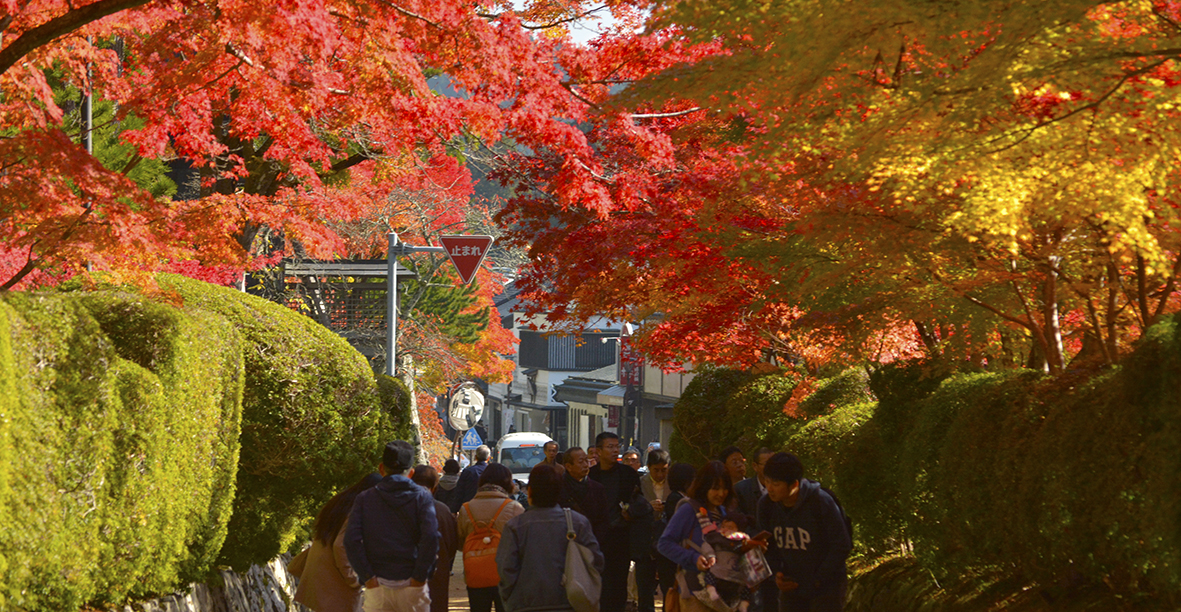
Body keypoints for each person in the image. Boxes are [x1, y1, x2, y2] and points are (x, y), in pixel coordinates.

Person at [658, 461, 768, 612]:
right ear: (704, 487)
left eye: (725, 488)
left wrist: (751, 549)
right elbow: (664, 543)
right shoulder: (689, 510)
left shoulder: (724, 513)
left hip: (725, 598)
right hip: (694, 593)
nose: (721, 493)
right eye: (716, 488)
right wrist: (693, 559)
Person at [344, 441, 439, 612]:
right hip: (413, 584)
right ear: (411, 473)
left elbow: (351, 540)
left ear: (381, 468)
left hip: (377, 584)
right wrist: (420, 576)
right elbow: (430, 537)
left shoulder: (365, 498)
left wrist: (367, 576)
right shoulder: (422, 497)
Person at [496, 463, 605, 612]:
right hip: (572, 602)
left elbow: (506, 569)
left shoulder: (515, 526)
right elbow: (596, 561)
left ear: (530, 491)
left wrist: (510, 599)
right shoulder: (578, 522)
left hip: (526, 604)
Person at [757, 453, 852, 612]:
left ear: (794, 485)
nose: (770, 488)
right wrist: (777, 574)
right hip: (792, 586)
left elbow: (841, 545)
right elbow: (768, 547)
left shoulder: (820, 502)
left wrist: (817, 578)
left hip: (826, 585)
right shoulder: (766, 506)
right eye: (767, 481)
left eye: (776, 483)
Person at [290, 472, 382, 612]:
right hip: (335, 580)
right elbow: (341, 545)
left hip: (322, 571)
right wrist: (353, 579)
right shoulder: (356, 511)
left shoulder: (342, 502)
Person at [458, 463, 525, 612]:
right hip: (506, 575)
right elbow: (524, 544)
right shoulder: (515, 508)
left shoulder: (466, 508)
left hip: (475, 574)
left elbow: (460, 543)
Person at [588, 432, 643, 612]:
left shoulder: (628, 474)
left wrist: (630, 513)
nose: (614, 451)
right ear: (598, 451)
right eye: (609, 447)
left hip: (621, 536)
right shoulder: (591, 476)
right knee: (599, 582)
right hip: (597, 538)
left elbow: (638, 500)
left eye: (616, 447)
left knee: (619, 583)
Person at [412, 465, 460, 612]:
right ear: (434, 486)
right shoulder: (442, 510)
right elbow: (453, 544)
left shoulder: (400, 507)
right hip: (437, 571)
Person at [635, 449, 672, 612]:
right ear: (649, 467)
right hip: (646, 540)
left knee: (668, 585)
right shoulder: (640, 483)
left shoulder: (673, 484)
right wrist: (647, 507)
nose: (659, 474)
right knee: (645, 585)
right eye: (656, 470)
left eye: (664, 470)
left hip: (667, 540)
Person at [558, 446, 610, 543]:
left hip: (592, 541)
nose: (586, 465)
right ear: (568, 466)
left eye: (586, 460)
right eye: (581, 462)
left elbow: (604, 520)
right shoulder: (558, 488)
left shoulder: (597, 488)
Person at [734, 448, 774, 518]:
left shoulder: (784, 487)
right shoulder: (741, 490)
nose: (773, 467)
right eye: (767, 464)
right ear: (755, 466)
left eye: (775, 463)